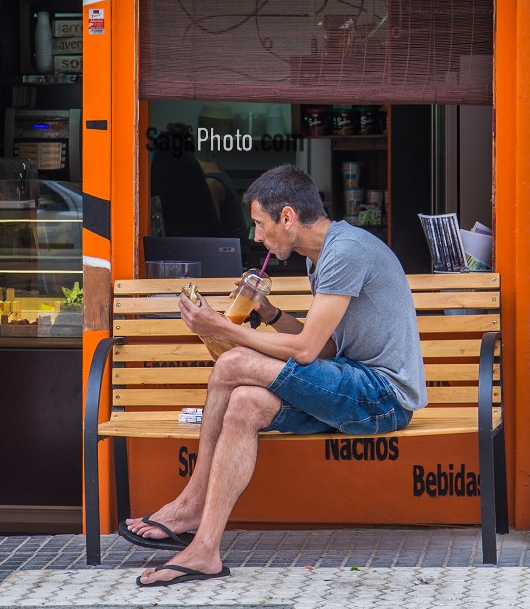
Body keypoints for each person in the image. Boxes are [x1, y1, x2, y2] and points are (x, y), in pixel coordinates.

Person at [125, 164, 427, 587]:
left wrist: (222, 328)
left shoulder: (346, 251)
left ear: (287, 217)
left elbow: (304, 352)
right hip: (349, 381)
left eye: (259, 224)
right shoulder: (319, 257)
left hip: (383, 397)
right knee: (245, 403)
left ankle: (192, 501)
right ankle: (205, 549)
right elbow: (322, 347)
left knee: (232, 363)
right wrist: (268, 313)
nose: (256, 237)